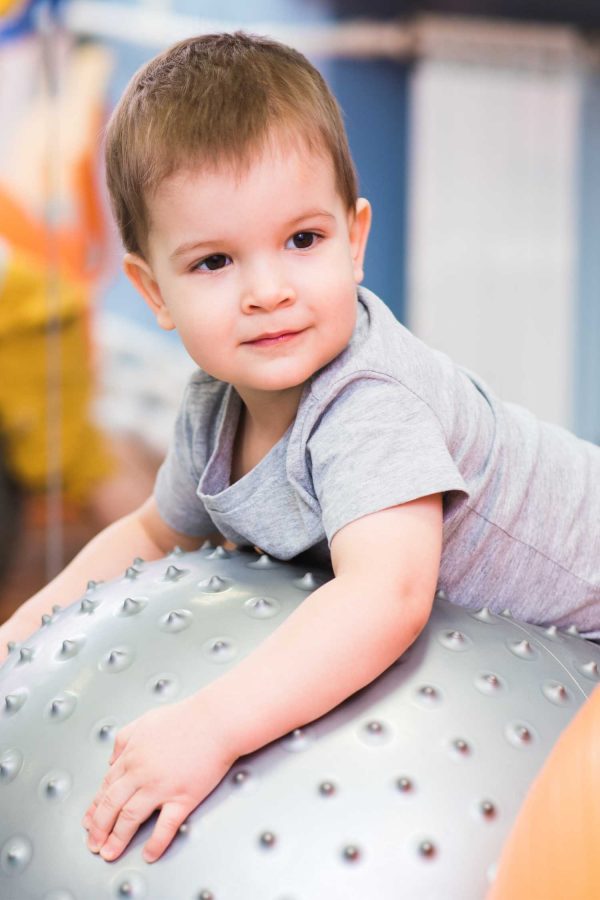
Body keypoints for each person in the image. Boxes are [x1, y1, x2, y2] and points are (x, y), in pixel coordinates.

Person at [0, 31, 598, 867]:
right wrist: (22, 639)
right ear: (153, 291)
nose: (268, 291)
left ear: (355, 239)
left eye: (303, 241)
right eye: (215, 261)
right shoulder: (216, 402)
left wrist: (209, 726)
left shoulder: (368, 404)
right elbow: (150, 532)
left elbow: (385, 597)